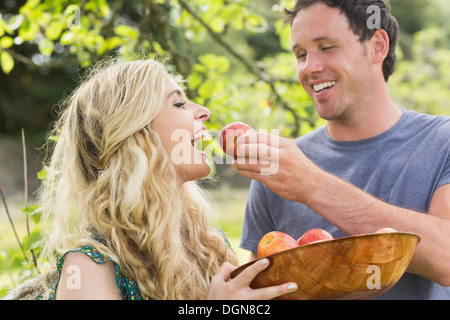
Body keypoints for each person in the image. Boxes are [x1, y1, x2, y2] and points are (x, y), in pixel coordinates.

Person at [235, 0, 450, 299]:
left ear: (377, 46)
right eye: (300, 54)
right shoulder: (280, 170)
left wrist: (312, 185)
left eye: (326, 47)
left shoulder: (442, 140)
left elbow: (447, 259)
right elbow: (259, 292)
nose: (309, 67)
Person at [37, 58, 298, 300]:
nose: (204, 111)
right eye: (179, 103)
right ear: (137, 135)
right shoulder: (89, 267)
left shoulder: (208, 247)